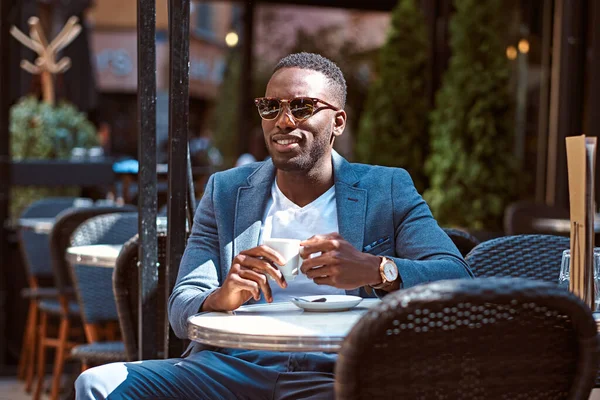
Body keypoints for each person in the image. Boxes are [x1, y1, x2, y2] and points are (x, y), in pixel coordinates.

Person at [75, 52, 473, 399]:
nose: (283, 121)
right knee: (97, 385)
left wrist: (378, 269)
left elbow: (457, 278)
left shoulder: (385, 188)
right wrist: (222, 295)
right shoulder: (227, 191)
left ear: (338, 121)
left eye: (301, 107)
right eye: (271, 107)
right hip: (232, 368)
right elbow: (181, 308)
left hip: (339, 370)